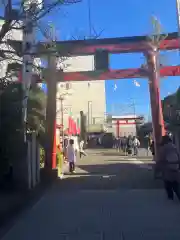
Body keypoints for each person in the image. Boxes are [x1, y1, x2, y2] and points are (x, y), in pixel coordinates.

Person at [159, 135, 180, 201]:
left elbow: (161, 158)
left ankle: (170, 197)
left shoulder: (164, 148)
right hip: (176, 166)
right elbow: (178, 155)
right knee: (176, 183)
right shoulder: (174, 146)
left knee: (168, 183)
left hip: (167, 167)